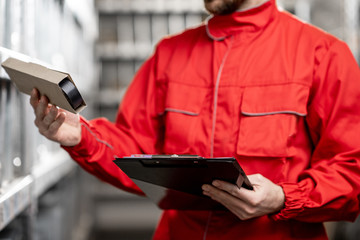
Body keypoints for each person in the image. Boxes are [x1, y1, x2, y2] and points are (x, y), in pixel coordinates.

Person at [30, 0, 360, 239]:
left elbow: (351, 172)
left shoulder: (323, 55)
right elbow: (135, 154)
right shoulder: (169, 55)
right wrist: (80, 135)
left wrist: (284, 198)